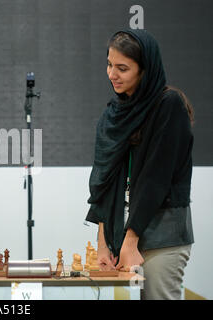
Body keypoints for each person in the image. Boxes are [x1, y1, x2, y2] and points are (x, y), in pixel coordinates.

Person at [85, 29, 194, 300]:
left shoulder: (169, 105)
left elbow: (156, 180)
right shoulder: (115, 113)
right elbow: (104, 182)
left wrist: (130, 241)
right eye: (109, 64)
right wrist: (103, 243)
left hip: (162, 236)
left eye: (122, 68)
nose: (112, 74)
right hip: (124, 237)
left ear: (145, 70)